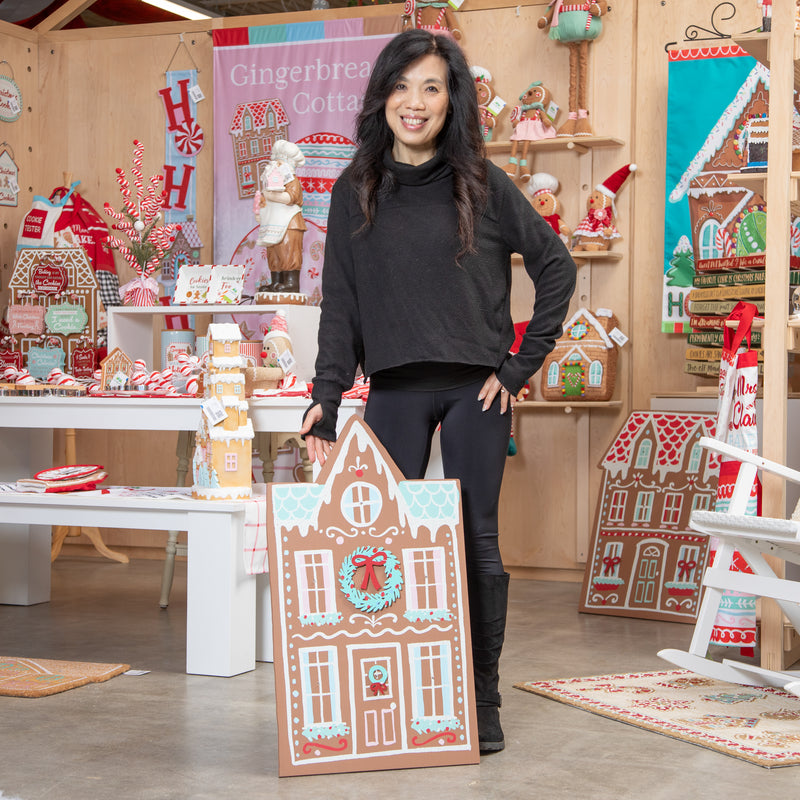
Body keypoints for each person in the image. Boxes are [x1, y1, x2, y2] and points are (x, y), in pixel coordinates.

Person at [300, 28, 576, 753]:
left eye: (431, 86)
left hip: (472, 393)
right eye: (401, 86)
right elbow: (341, 304)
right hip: (392, 390)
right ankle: (391, 696)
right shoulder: (354, 188)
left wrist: (516, 369)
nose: (414, 102)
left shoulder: (482, 183)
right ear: (382, 96)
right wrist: (327, 393)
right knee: (383, 548)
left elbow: (556, 267)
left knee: (474, 541)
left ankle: (481, 704)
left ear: (452, 99)